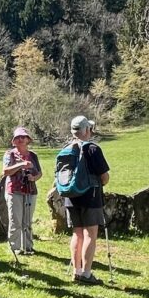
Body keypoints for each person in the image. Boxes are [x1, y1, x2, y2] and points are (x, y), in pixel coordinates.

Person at [61, 115, 110, 284]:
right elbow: (104, 177)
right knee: (90, 233)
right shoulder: (92, 149)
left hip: (71, 196)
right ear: (87, 130)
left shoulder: (67, 149)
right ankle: (86, 274)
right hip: (91, 196)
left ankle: (76, 271)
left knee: (77, 233)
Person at [2, 127, 42, 255]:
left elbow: (39, 173)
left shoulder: (33, 155)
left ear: (28, 140)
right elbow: (5, 171)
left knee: (27, 221)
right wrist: (21, 165)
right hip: (14, 191)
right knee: (16, 221)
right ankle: (15, 248)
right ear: (14, 141)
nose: (21, 139)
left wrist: (33, 178)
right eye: (18, 137)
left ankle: (28, 246)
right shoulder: (9, 154)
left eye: (23, 137)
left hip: (30, 191)